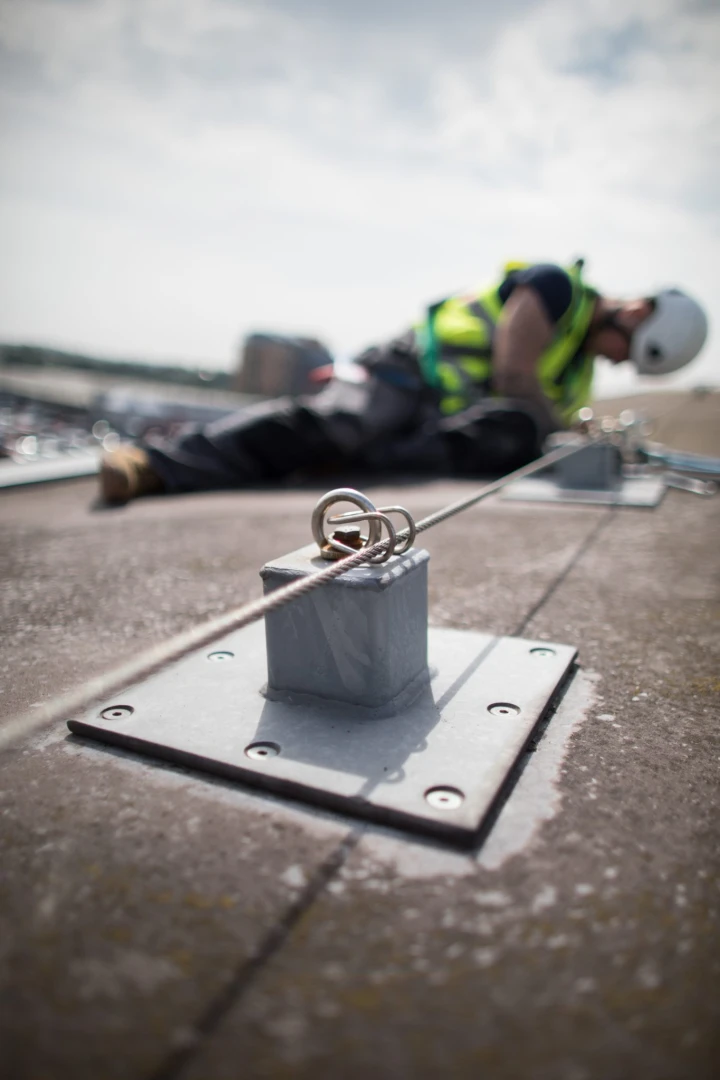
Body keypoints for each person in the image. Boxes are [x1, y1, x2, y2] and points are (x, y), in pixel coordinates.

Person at [99, 260, 708, 503]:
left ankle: (363, 458)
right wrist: (553, 425)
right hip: (405, 370)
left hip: (436, 418)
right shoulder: (555, 291)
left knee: (515, 430)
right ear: (633, 315)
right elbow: (514, 373)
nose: (617, 362)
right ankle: (155, 464)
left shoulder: (580, 365)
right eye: (625, 352)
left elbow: (535, 417)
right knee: (341, 424)